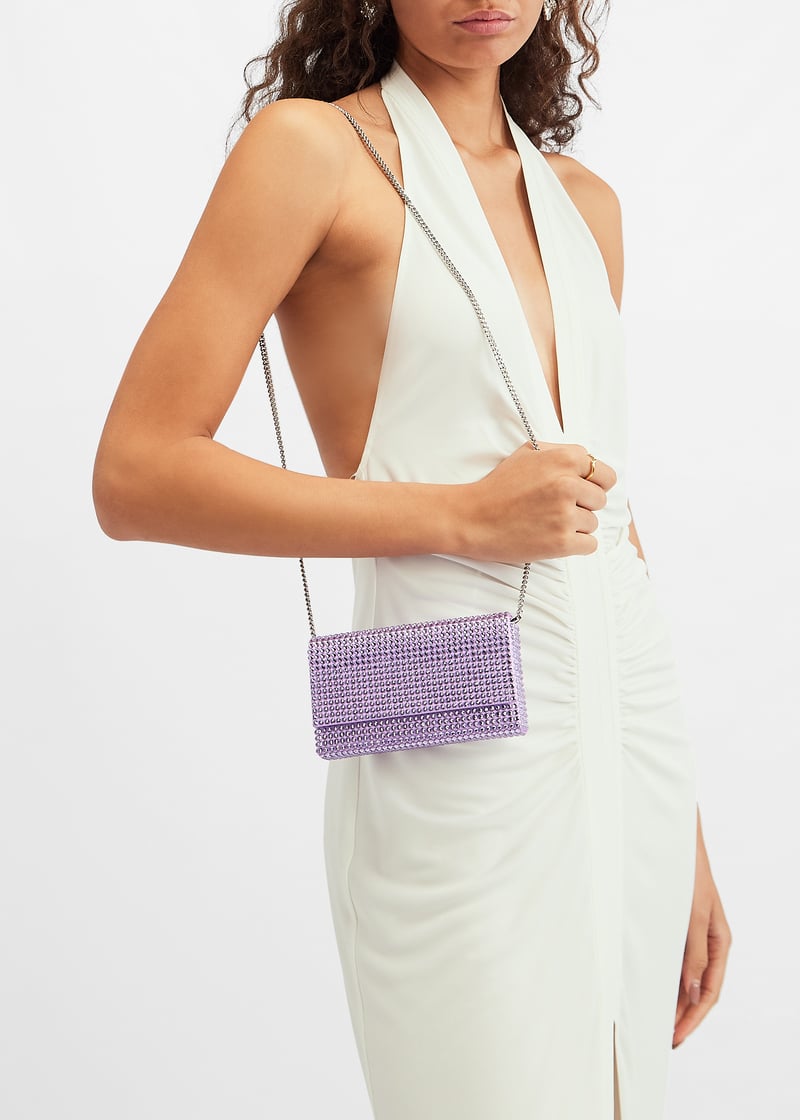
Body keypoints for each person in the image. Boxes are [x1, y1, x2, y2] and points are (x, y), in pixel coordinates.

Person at [92, 1, 732, 1116]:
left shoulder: (585, 205)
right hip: (450, 757)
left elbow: (601, 515)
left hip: (626, 755)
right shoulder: (311, 153)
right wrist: (461, 518)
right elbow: (135, 474)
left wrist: (685, 833)